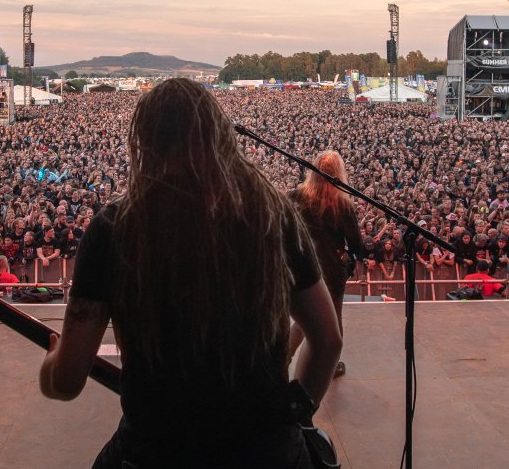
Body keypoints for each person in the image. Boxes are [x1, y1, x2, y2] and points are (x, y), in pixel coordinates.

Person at [38, 78, 341, 469]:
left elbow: (66, 382)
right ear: (219, 136)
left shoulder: (115, 227)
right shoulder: (272, 214)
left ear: (145, 142)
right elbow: (328, 340)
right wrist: (297, 411)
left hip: (153, 452)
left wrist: (51, 362)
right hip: (268, 452)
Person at [287, 150, 362, 378]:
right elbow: (357, 245)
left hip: (300, 264)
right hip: (330, 269)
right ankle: (330, 366)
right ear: (338, 174)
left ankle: (284, 357)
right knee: (332, 318)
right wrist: (348, 261)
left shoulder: (295, 196)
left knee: (304, 316)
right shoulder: (342, 204)